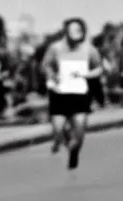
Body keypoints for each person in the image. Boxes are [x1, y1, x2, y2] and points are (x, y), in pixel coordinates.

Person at [41, 18, 102, 170]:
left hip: (79, 93)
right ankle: (66, 141)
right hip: (59, 92)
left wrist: (86, 74)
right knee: (58, 130)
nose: (77, 32)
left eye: (79, 30)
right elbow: (45, 66)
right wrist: (51, 75)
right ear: (66, 31)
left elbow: (99, 68)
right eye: (73, 29)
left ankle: (74, 150)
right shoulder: (55, 48)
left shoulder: (89, 49)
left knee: (80, 128)